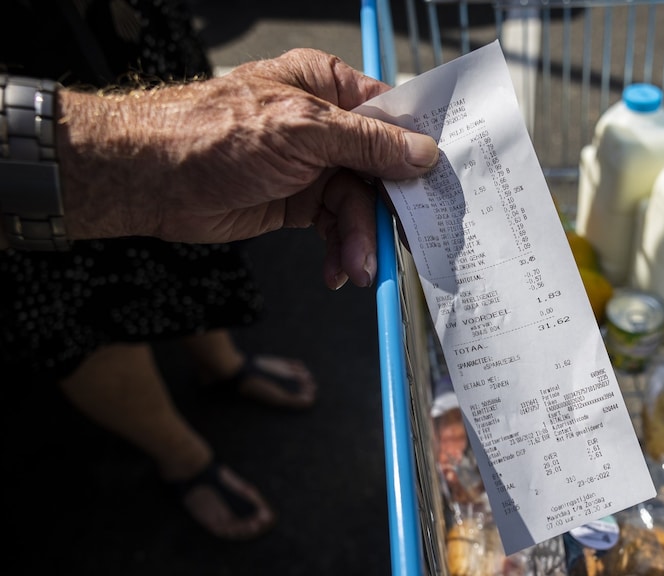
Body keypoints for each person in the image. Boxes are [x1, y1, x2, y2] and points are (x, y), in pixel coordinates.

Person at [1, 0, 438, 541]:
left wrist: (166, 150)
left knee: (200, 230)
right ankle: (182, 458)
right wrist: (147, 149)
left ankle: (221, 363)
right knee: (84, 300)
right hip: (21, 51)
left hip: (126, 25)